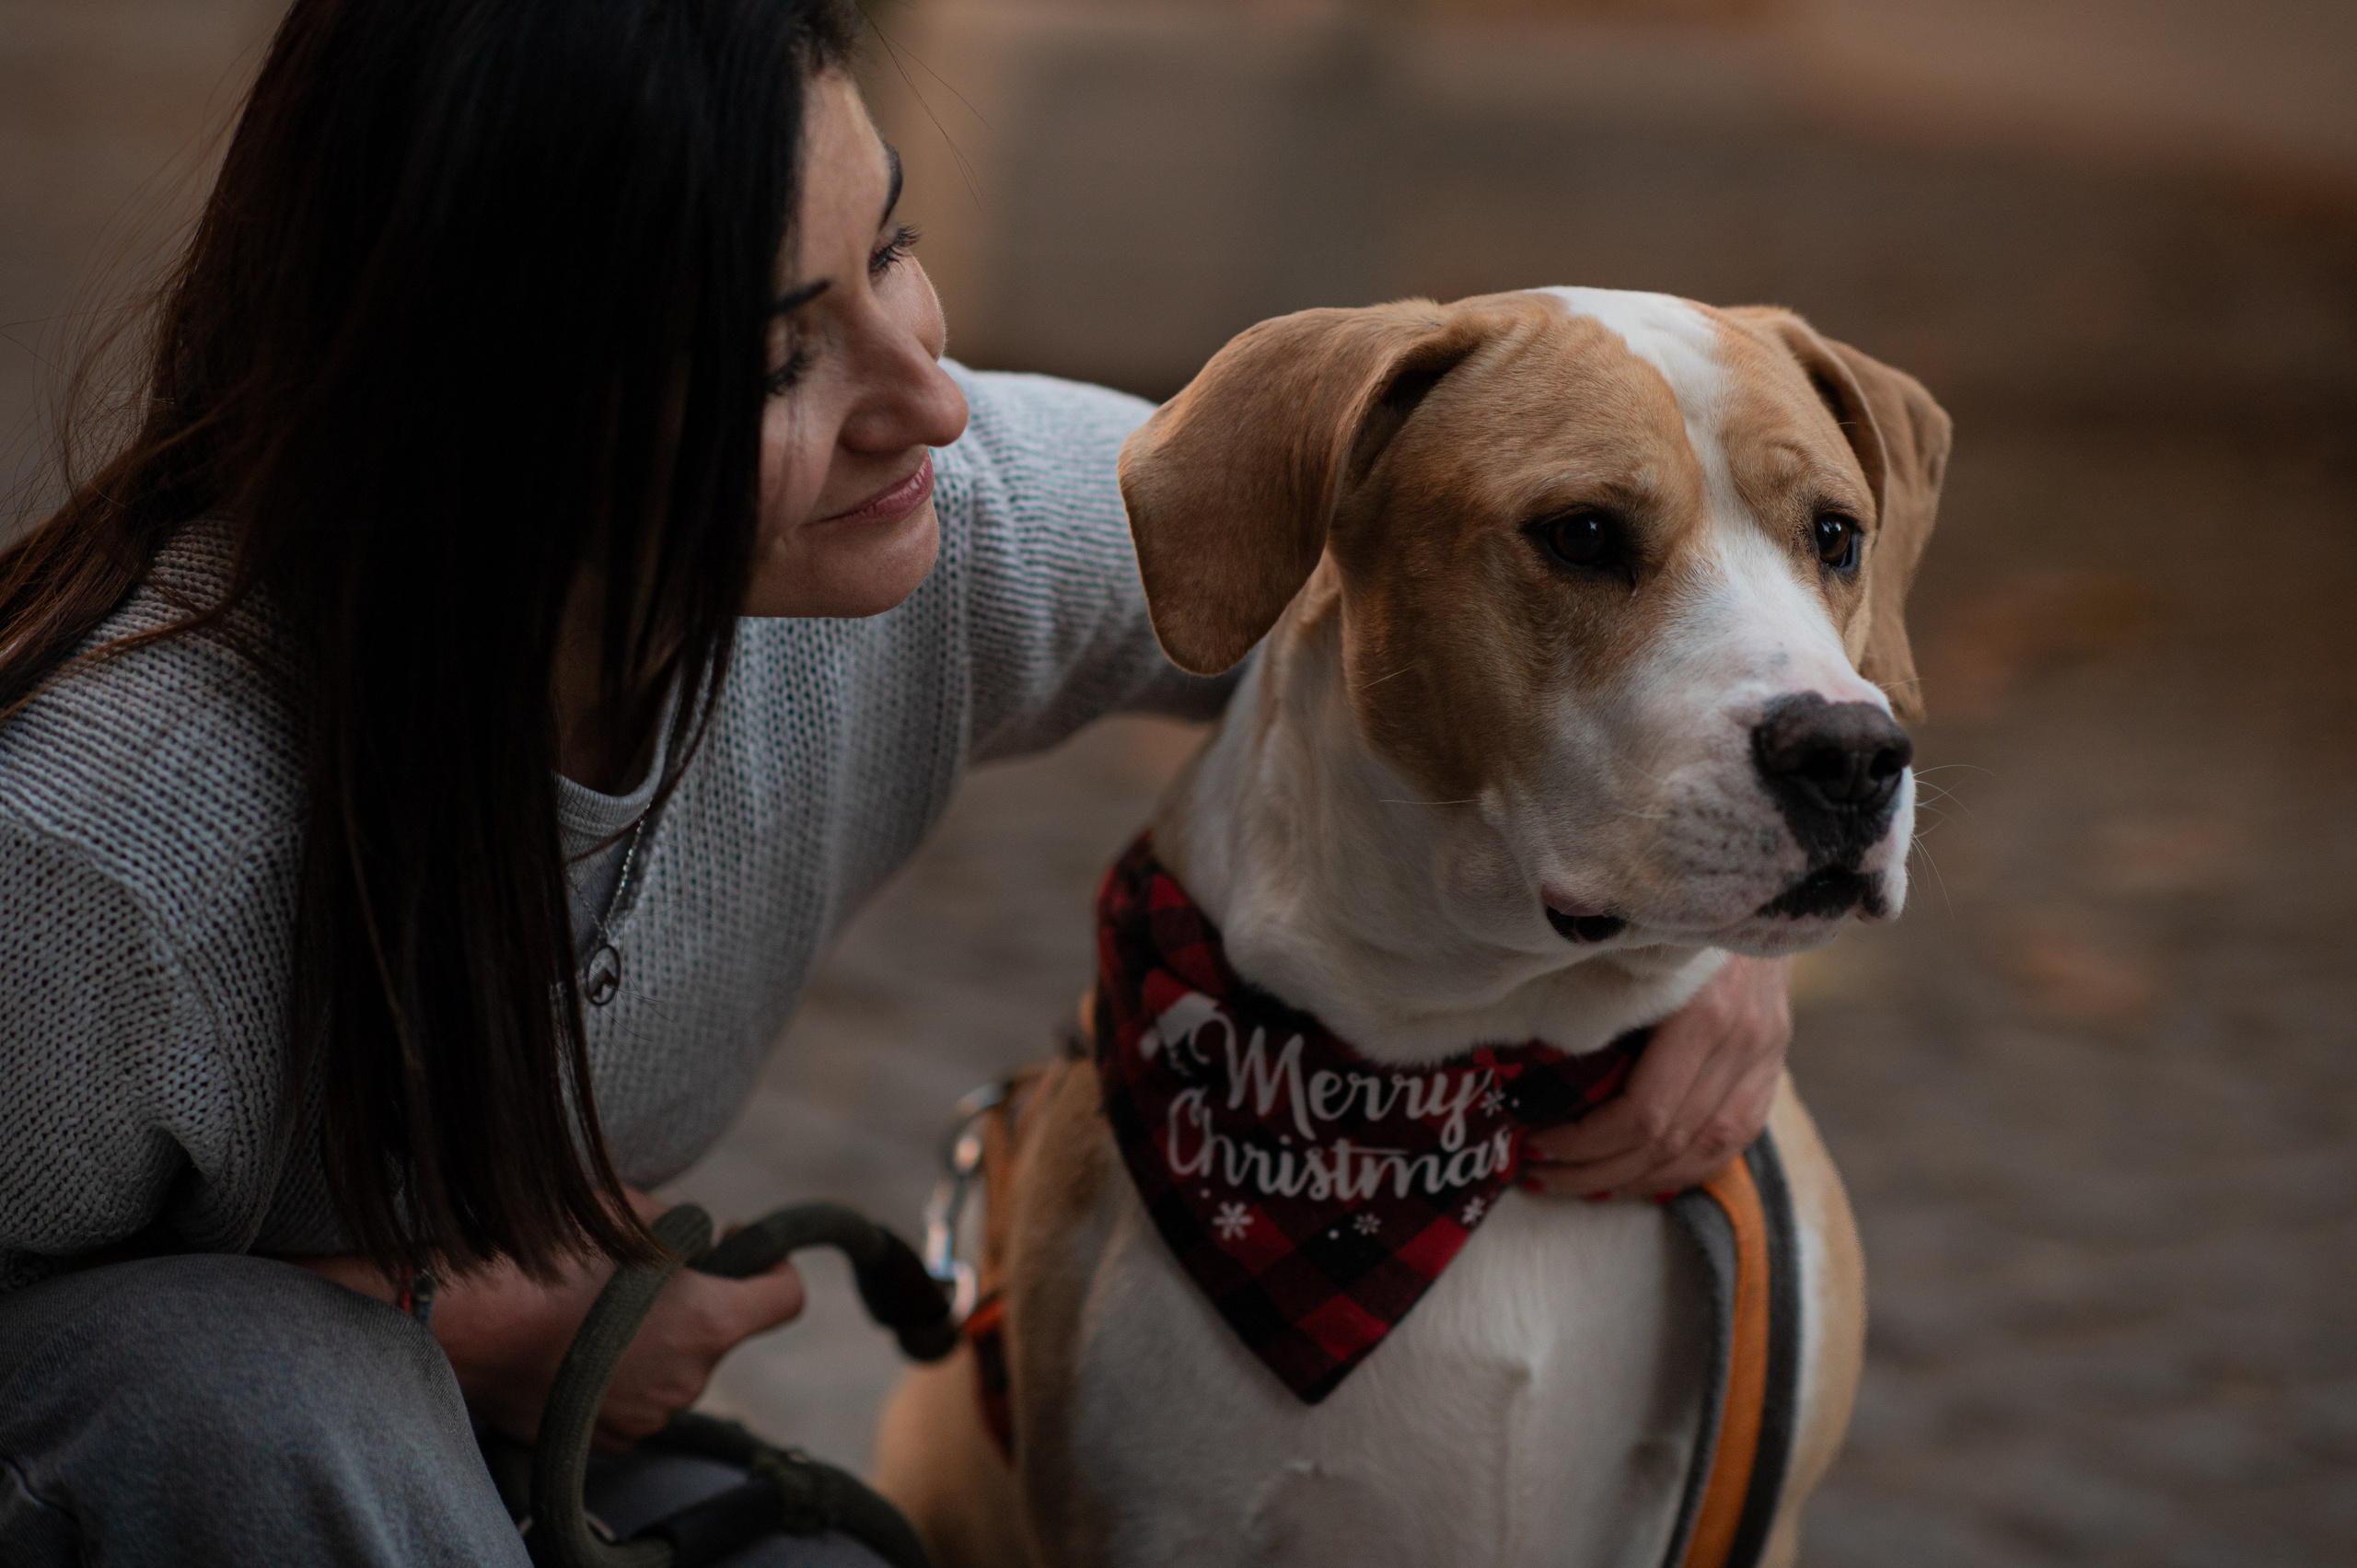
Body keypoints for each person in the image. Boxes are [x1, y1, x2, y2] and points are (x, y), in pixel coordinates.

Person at [0, 0, 1795, 1562]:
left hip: (534, 1462)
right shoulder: (101, 851)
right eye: (783, 349)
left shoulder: (943, 527)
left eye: (893, 249)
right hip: (190, 1462)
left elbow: (1469, 609)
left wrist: (1727, 884)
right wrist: (423, 1319)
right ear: (483, 402)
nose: (924, 394)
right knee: (254, 1405)